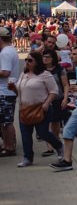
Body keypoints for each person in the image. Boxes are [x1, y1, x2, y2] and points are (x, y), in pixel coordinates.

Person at [14, 51, 61, 167]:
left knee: (42, 132)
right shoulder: (23, 74)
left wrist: (47, 103)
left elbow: (54, 91)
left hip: (40, 108)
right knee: (25, 134)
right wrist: (13, 89)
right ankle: (27, 158)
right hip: (24, 108)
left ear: (37, 62)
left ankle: (59, 146)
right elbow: (19, 92)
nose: (27, 62)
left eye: (30, 60)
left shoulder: (45, 74)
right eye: (26, 60)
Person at [0, 27, 21, 157]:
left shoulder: (5, 53)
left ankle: (9, 147)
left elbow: (5, 72)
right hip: (7, 91)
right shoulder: (10, 50)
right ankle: (9, 144)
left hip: (5, 92)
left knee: (6, 121)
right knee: (5, 120)